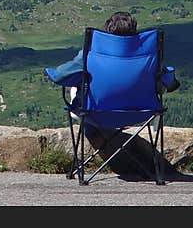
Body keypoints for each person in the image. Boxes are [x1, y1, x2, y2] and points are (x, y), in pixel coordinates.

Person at [51, 11, 178, 177]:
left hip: (95, 114)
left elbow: (60, 76)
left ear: (108, 31)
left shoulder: (91, 52)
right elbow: (170, 83)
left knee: (81, 86)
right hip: (142, 113)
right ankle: (155, 172)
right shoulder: (149, 54)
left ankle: (84, 163)